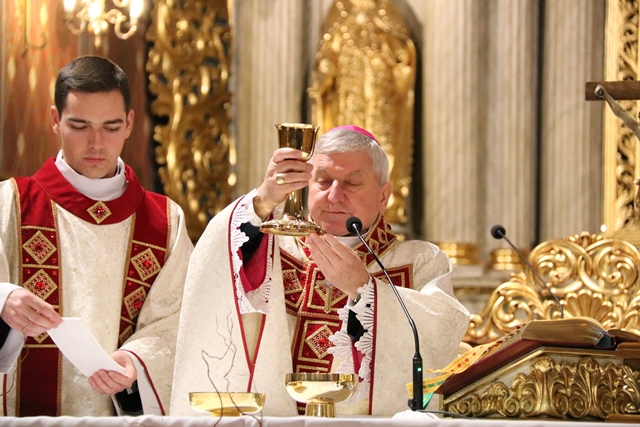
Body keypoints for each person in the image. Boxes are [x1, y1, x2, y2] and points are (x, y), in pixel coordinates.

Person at [170, 125, 469, 416]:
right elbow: (215, 265)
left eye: (352, 183)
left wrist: (365, 290)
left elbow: (440, 335)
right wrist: (263, 199)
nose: (334, 195)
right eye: (323, 181)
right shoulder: (272, 246)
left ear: (383, 196)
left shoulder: (420, 261)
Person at [0, 56, 193, 416]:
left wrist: (136, 360)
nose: (96, 143)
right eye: (80, 126)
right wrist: (3, 299)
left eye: (111, 127)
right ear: (55, 119)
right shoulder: (11, 204)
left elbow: (177, 319)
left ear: (129, 123)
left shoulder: (165, 221)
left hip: (119, 416)